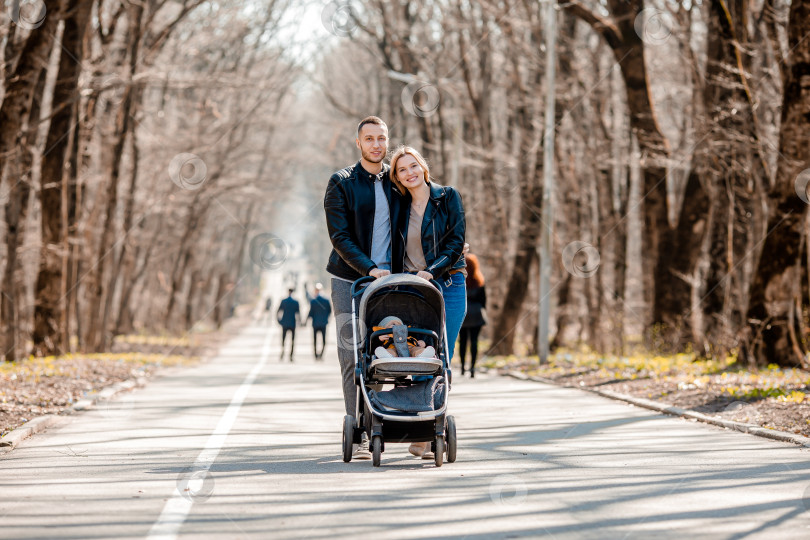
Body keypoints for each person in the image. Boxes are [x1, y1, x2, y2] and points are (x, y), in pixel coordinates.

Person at [323, 116, 407, 459]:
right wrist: (369, 268)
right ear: (358, 143)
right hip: (349, 279)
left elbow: (423, 214)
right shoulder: (341, 182)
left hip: (393, 283)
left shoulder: (398, 181)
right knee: (351, 354)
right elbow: (339, 236)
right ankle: (357, 429)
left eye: (381, 138)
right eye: (369, 138)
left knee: (392, 350)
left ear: (388, 142)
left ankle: (387, 419)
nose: (376, 144)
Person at [388, 145, 466, 459]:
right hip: (413, 289)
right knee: (424, 353)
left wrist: (432, 271)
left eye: (413, 165)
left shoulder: (448, 197)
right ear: (397, 177)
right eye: (402, 170)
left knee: (443, 354)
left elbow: (456, 240)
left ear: (423, 166)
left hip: (448, 283)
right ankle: (423, 425)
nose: (410, 173)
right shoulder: (398, 207)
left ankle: (432, 428)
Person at [458, 253, 486, 377]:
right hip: (476, 314)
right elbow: (484, 300)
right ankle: (473, 368)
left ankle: (463, 367)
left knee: (463, 341)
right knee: (474, 341)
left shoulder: (460, 280)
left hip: (463, 313)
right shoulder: (479, 281)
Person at [306, 283, 332, 360]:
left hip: (315, 323)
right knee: (324, 340)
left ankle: (316, 355)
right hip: (323, 323)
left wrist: (306, 320)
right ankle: (321, 354)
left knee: (315, 340)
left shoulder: (313, 301)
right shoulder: (326, 300)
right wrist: (326, 318)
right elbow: (329, 311)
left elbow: (311, 312)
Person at [277, 288, 301, 362]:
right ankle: (291, 355)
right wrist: (300, 322)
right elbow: (298, 313)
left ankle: (283, 352)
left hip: (284, 323)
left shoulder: (284, 301)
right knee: (292, 340)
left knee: (283, 339)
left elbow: (278, 311)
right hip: (292, 323)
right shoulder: (295, 302)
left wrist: (279, 321)